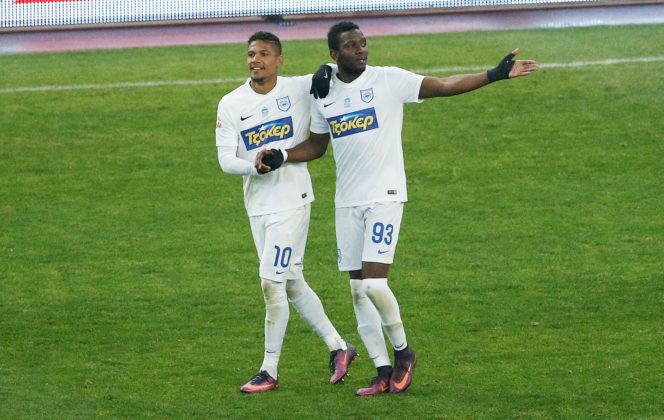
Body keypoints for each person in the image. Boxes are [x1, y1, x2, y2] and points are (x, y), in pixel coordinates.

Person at [256, 21, 539, 396]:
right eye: (352, 46)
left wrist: (494, 74)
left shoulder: (388, 80)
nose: (361, 49)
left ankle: (404, 353)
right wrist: (283, 155)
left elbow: (444, 85)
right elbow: (317, 147)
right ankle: (382, 370)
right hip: (347, 201)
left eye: (363, 43)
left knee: (374, 284)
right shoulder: (324, 92)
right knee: (358, 292)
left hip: (385, 196)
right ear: (335, 54)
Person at [215, 31, 357, 394]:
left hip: (292, 202)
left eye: (264, 54)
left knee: (271, 283)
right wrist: (254, 166)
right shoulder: (231, 103)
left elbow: (335, 70)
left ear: (279, 60)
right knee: (291, 282)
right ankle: (339, 347)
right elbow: (226, 160)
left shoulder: (297, 88)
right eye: (251, 54)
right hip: (257, 206)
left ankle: (269, 369)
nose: (256, 60)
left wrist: (325, 69)